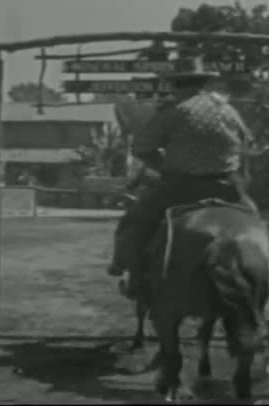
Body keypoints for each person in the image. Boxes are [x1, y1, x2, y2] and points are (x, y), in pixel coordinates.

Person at [107, 56, 258, 301]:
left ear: (177, 85)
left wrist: (164, 168)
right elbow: (247, 144)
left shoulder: (173, 111)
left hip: (180, 185)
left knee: (136, 221)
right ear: (203, 83)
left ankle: (128, 269)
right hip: (228, 185)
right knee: (258, 222)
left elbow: (142, 148)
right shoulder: (227, 109)